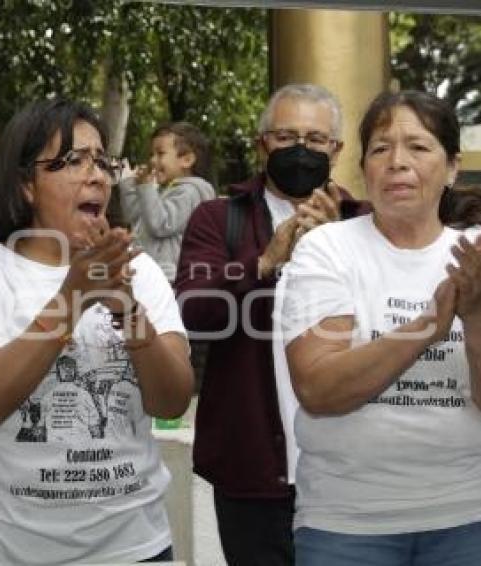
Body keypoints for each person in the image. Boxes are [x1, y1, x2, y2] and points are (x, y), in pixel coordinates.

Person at [0, 98, 194, 565]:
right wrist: (72, 298)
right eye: (73, 161)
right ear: (26, 184)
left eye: (102, 161)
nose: (97, 176)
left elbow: (171, 401)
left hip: (134, 548)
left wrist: (128, 310)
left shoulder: (140, 271)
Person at [277, 90, 481, 566]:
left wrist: (477, 314)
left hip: (477, 519)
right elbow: (319, 388)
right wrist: (424, 329)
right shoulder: (326, 249)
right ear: (364, 168)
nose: (398, 162)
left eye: (418, 147)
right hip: (347, 524)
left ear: (453, 167)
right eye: (380, 148)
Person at [174, 83, 366, 566]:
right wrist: (264, 262)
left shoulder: (366, 223)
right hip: (253, 467)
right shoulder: (219, 218)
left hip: (353, 470)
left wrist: (337, 248)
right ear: (262, 145)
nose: (301, 150)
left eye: (316, 139)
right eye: (286, 137)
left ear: (336, 150)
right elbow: (192, 311)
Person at [118, 122, 216, 280]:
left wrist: (147, 188)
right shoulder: (162, 190)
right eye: (152, 154)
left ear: (187, 160)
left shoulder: (190, 192)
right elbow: (133, 216)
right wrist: (128, 184)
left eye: (160, 154)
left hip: (167, 277)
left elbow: (161, 224)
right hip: (146, 272)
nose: (153, 160)